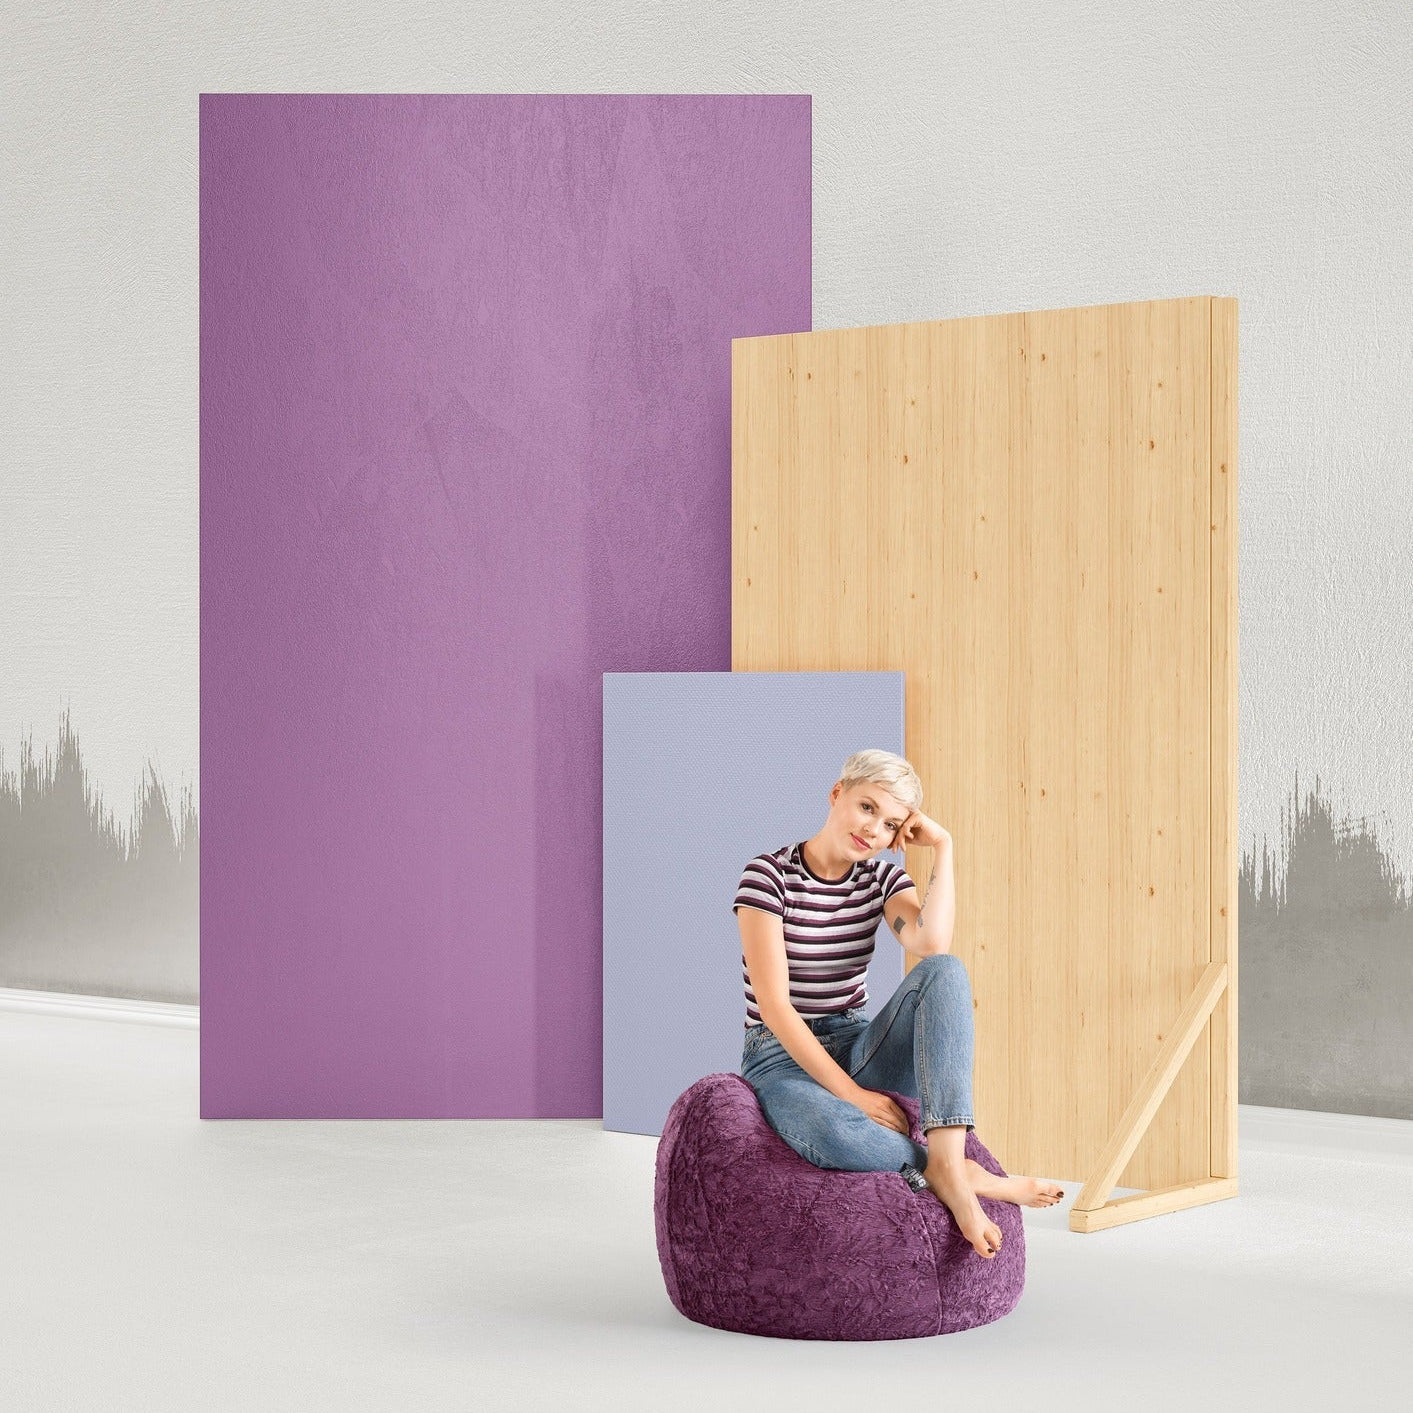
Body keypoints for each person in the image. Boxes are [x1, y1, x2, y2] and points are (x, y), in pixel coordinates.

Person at [735, 748, 1063, 1259]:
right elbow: (776, 1007)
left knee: (946, 972)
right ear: (837, 793)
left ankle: (948, 1166)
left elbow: (931, 945)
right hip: (778, 1057)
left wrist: (944, 848)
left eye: (889, 825)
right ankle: (963, 1174)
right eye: (867, 808)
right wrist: (852, 1096)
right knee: (834, 1134)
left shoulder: (881, 880)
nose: (873, 831)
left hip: (858, 1042)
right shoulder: (768, 875)